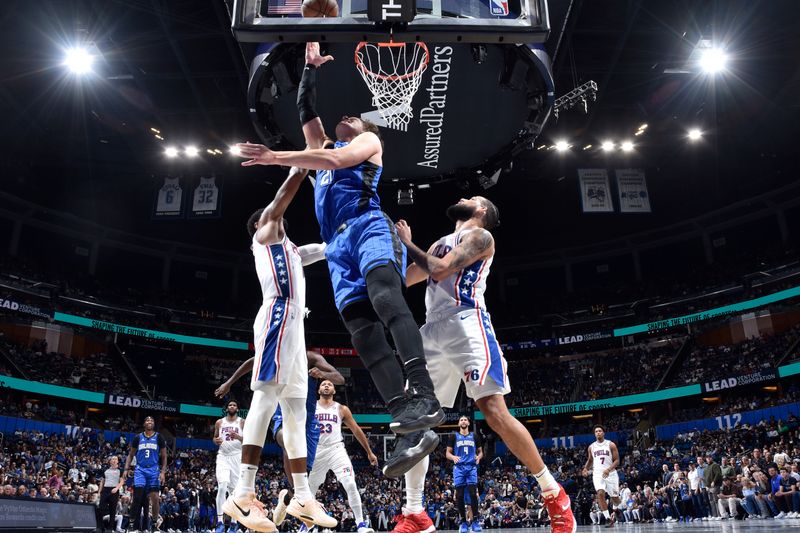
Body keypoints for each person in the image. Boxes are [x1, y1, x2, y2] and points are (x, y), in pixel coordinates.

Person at [234, 41, 444, 477]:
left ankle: (423, 391)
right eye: (344, 117)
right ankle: (408, 423)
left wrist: (276, 157)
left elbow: (330, 157)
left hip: (368, 225)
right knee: (364, 334)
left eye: (354, 116)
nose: (345, 117)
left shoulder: (366, 143)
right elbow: (306, 113)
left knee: (387, 300)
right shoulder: (322, 148)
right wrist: (310, 71)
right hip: (336, 248)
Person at [391, 198, 576, 533]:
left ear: (481, 212)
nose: (461, 199)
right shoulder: (437, 243)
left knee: (493, 411)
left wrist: (406, 241)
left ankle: (554, 494)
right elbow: (407, 279)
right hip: (432, 328)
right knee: (415, 419)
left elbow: (439, 269)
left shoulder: (481, 238)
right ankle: (415, 512)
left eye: (471, 198)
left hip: (467, 321)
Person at [221, 166, 335, 533]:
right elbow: (278, 206)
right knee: (264, 400)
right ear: (263, 225)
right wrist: (299, 171)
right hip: (276, 316)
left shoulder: (291, 251)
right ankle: (242, 493)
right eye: (276, 217)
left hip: (295, 325)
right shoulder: (265, 236)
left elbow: (326, 249)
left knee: (296, 410)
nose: (283, 220)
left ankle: (302, 495)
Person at [215, 350, 344, 527]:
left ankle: (287, 499)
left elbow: (339, 378)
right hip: (282, 412)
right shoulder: (279, 349)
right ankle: (303, 499)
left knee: (301, 474)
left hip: (307, 420)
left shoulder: (311, 358)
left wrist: (322, 374)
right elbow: (253, 361)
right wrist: (229, 382)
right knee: (288, 441)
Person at [306, 379, 379, 533]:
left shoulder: (342, 409)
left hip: (336, 449)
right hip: (316, 450)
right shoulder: (311, 406)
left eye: (330, 384)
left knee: (350, 484)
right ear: (318, 390)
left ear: (334, 390)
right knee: (309, 491)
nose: (326, 385)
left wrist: (369, 451)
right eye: (323, 384)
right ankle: (308, 526)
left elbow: (356, 430)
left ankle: (361, 525)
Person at [123, 416, 167, 532]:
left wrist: (163, 472)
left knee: (155, 498)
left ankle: (153, 524)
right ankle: (131, 524)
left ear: (154, 424)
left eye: (152, 420)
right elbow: (131, 455)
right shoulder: (138, 438)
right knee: (137, 497)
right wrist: (126, 469)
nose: (149, 422)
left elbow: (164, 456)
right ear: (144, 423)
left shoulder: (159, 437)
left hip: (153, 470)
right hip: (140, 470)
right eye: (147, 420)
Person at [446, 416, 483, 533]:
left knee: (473, 494)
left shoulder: (475, 436)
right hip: (459, 468)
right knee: (460, 496)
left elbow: (481, 451)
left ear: (468, 422)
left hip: (471, 467)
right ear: (458, 423)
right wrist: (453, 457)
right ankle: (463, 522)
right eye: (461, 420)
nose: (463, 421)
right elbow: (447, 453)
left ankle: (475, 521)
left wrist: (479, 457)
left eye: (465, 420)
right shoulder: (454, 436)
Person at [213, 400, 244, 533]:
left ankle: (233, 522)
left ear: (237, 408)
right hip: (223, 456)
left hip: (237, 457)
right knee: (222, 486)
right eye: (230, 405)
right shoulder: (219, 422)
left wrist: (238, 436)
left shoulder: (242, 422)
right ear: (227, 409)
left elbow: (249, 439)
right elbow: (214, 438)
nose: (232, 407)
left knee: (234, 492)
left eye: (234, 405)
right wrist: (215, 440)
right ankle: (220, 522)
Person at [582, 425, 621, 528]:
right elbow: (590, 460)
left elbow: (617, 460)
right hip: (598, 474)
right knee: (600, 493)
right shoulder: (591, 447)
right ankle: (608, 519)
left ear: (603, 433)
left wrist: (608, 469)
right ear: (594, 434)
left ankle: (616, 509)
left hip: (611, 474)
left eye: (600, 431)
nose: (598, 432)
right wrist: (586, 468)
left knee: (615, 499)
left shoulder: (611, 444)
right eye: (596, 431)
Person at [98, 455, 123, 533]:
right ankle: (100, 527)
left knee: (112, 510)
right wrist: (99, 492)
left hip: (114, 490)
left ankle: (110, 528)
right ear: (110, 461)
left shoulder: (120, 470)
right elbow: (102, 481)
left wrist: (117, 488)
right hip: (105, 490)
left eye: (116, 459)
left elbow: (122, 481)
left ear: (117, 461)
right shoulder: (105, 470)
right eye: (113, 459)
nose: (114, 460)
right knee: (101, 508)